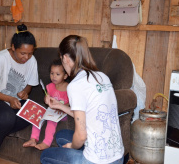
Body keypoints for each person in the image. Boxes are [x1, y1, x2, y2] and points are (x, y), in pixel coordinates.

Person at [40, 35, 124, 164]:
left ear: (66, 58)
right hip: (118, 156)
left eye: (62, 60)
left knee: (45, 156)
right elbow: (85, 114)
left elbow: (81, 136)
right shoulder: (102, 77)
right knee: (61, 136)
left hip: (96, 161)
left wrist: (72, 147)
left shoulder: (76, 85)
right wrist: (60, 106)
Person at [0, 24, 39, 164]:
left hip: (15, 101)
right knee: (7, 118)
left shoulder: (32, 61)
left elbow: (30, 84)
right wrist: (9, 98)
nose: (26, 57)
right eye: (22, 53)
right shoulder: (0, 59)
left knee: (35, 112)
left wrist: (25, 92)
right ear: (13, 47)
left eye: (30, 53)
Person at [23, 59, 69, 150]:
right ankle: (33, 139)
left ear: (65, 76)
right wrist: (46, 99)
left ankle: (46, 142)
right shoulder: (50, 86)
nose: (54, 76)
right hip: (51, 111)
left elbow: (70, 104)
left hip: (62, 113)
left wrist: (61, 107)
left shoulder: (69, 88)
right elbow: (46, 99)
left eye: (57, 74)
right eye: (52, 73)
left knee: (50, 121)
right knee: (37, 115)